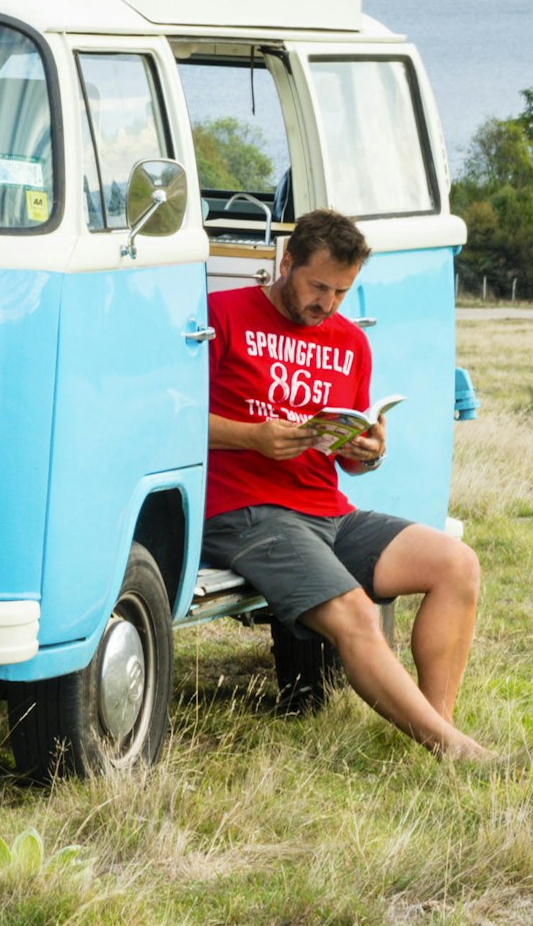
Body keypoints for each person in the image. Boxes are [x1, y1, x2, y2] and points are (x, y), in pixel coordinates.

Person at [201, 208, 490, 761]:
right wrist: (252, 437)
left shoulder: (351, 342)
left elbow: (348, 458)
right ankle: (454, 750)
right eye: (317, 287)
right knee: (357, 615)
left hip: (330, 511)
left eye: (341, 291)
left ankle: (437, 728)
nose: (327, 303)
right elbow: (171, 420)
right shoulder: (222, 315)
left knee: (458, 564)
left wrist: (369, 451)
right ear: (286, 263)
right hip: (247, 512)